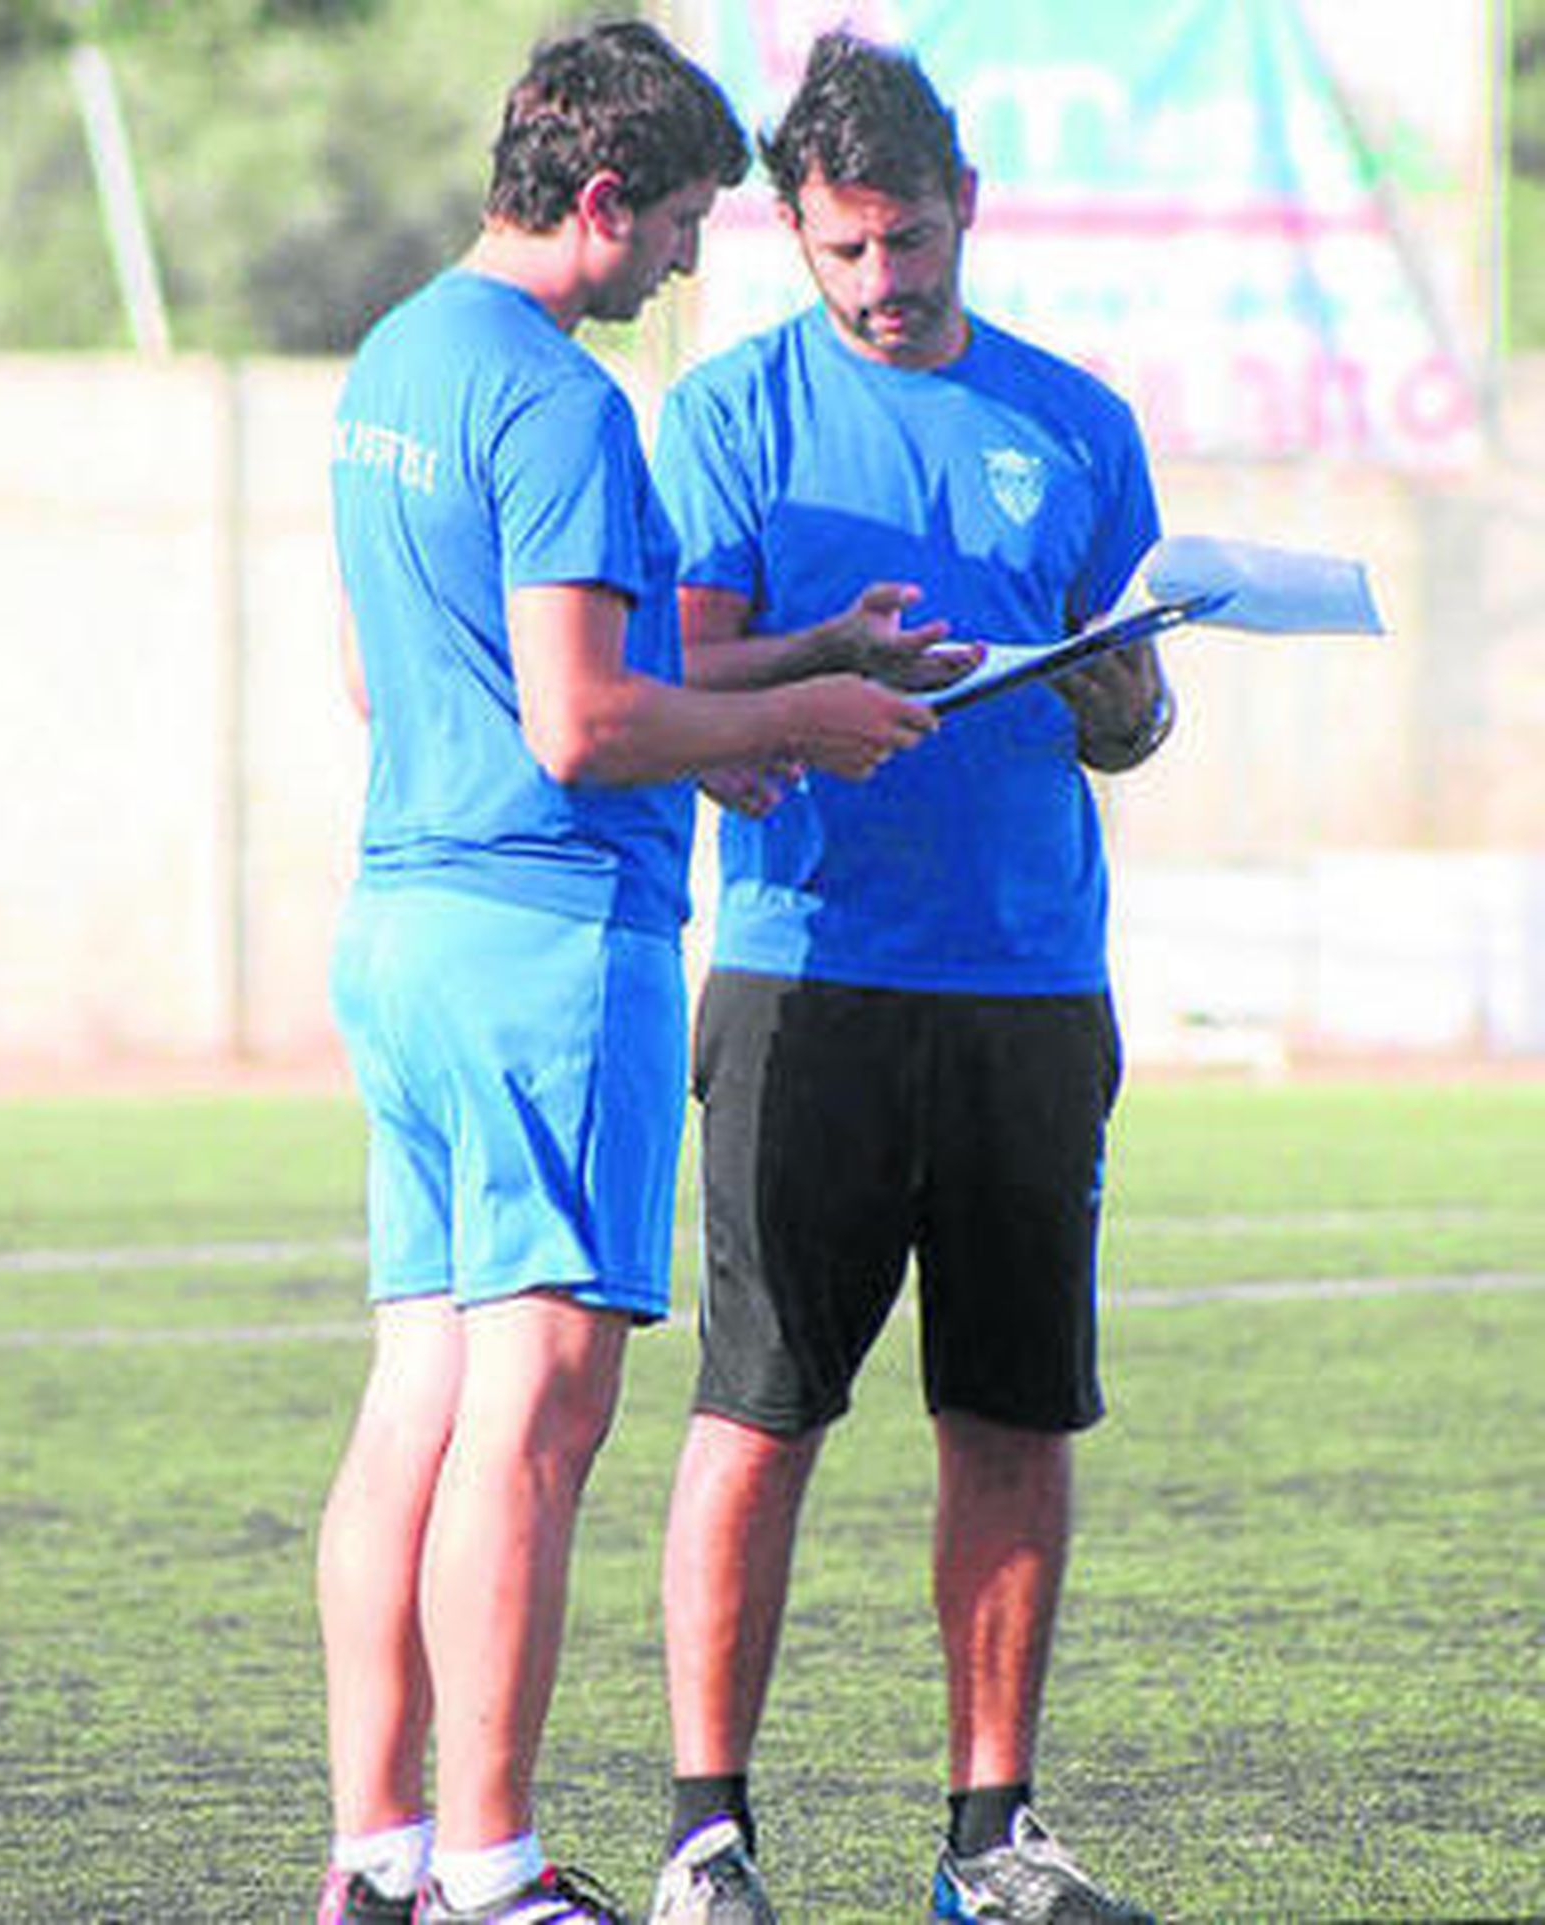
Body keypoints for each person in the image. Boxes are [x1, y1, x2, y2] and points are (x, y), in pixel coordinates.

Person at [314, 23, 941, 1925]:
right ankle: (497, 1873)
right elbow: (584, 726)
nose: (684, 262)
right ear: (600, 202)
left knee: (415, 1394)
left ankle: (379, 1853)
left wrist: (792, 663)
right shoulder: (562, 399)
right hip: (545, 946)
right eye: (675, 224)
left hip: (405, 929)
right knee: (541, 1409)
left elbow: (414, 678)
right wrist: (816, 719)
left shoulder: (398, 354)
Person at [646, 31, 1169, 1925]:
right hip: (808, 976)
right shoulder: (729, 417)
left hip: (1033, 984)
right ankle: (711, 1836)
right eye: (850, 248)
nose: (887, 281)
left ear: (971, 211)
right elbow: (670, 683)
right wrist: (825, 675)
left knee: (1015, 1411)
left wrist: (1128, 702)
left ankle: (991, 1840)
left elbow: (1134, 707)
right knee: (761, 1405)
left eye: (916, 242)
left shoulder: (1081, 419)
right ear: (795, 229)